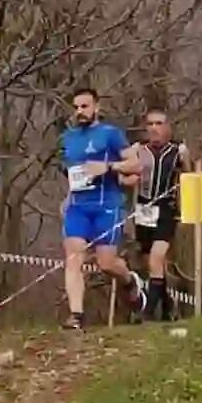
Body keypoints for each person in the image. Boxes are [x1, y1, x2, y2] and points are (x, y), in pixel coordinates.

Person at [59, 87, 146, 328]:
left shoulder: (110, 134)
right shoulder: (68, 139)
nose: (80, 112)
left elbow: (135, 165)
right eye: (76, 107)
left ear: (96, 107)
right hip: (78, 206)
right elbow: (74, 172)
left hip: (106, 204)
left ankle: (130, 280)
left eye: (85, 106)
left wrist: (108, 167)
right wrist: (68, 196)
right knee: (73, 257)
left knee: (106, 263)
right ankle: (76, 315)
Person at [133, 108, 191, 322]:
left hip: (167, 209)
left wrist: (186, 210)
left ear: (167, 127)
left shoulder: (178, 151)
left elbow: (190, 178)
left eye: (159, 124)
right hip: (143, 209)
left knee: (157, 257)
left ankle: (147, 312)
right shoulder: (138, 150)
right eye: (150, 124)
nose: (154, 129)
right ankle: (168, 306)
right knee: (151, 262)